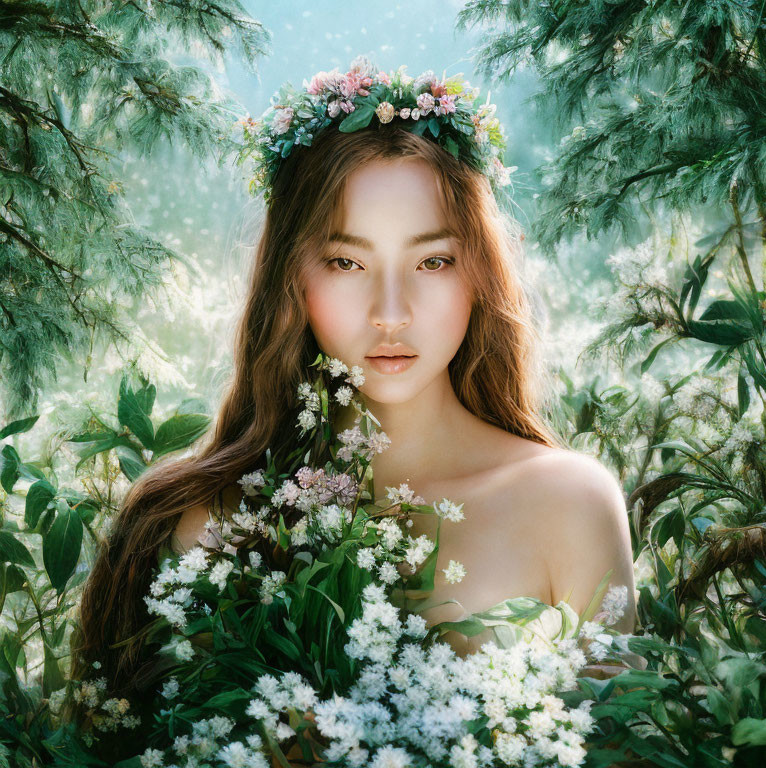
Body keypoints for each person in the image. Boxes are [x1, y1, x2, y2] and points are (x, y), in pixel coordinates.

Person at [69, 57, 641, 709]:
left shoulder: (567, 505)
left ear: (478, 272)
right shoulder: (200, 523)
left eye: (433, 261)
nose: (391, 312)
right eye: (346, 261)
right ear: (293, 277)